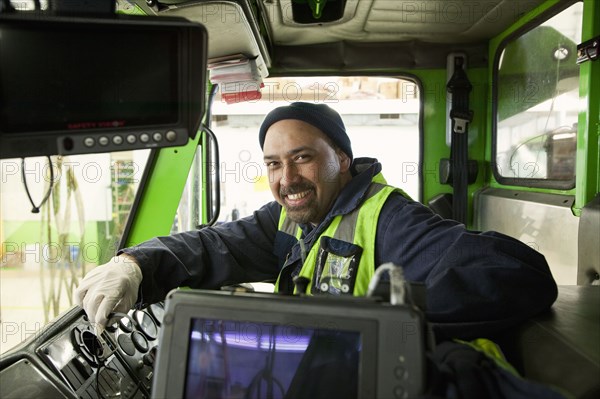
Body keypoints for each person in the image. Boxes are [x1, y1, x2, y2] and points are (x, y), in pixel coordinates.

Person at [75, 102, 558, 338]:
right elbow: (212, 244)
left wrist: (382, 313)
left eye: (302, 158)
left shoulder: (390, 219)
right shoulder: (290, 220)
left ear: (342, 160)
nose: (287, 179)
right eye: (272, 164)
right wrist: (136, 266)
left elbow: (518, 274)